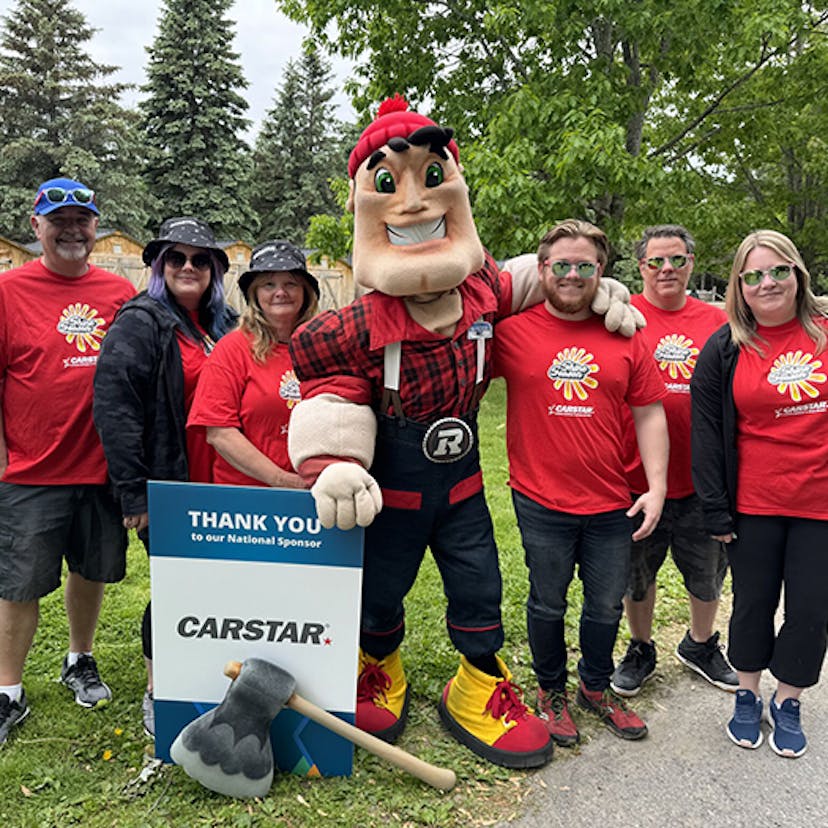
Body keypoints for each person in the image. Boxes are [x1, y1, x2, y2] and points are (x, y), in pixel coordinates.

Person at [287, 96, 643, 769]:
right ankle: (378, 667)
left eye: (430, 179)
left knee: (478, 583)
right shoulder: (361, 325)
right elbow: (331, 390)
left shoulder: (481, 290)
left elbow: (543, 279)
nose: (416, 206)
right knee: (380, 585)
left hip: (462, 482)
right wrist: (333, 460)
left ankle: (477, 684)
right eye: (390, 185)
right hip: (392, 483)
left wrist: (600, 291)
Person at [493, 219, 669, 747]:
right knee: (547, 601)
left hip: (612, 499)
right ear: (541, 269)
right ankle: (551, 692)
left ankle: (595, 687)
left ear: (601, 272)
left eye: (585, 266)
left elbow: (650, 413)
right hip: (540, 497)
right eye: (561, 265)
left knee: (605, 604)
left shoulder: (625, 334)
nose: (572, 275)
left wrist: (656, 487)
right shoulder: (511, 333)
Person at [0, 177, 136, 745]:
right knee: (18, 582)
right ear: (37, 227)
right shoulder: (9, 292)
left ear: (95, 225)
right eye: (59, 220)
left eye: (82, 219)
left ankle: (79, 659)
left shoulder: (118, 294)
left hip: (100, 467)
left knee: (91, 570)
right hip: (31, 469)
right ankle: (7, 690)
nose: (72, 229)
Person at [93, 217, 237, 737]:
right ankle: (159, 690)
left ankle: (213, 676)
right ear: (158, 267)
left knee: (222, 586)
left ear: (215, 271)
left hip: (222, 484)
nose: (188, 267)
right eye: (175, 258)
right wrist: (135, 491)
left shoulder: (222, 324)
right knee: (179, 590)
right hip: (172, 486)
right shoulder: (142, 321)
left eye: (201, 260)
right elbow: (116, 408)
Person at [691, 229, 828, 759]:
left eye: (778, 271)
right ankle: (746, 695)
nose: (767, 283)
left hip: (820, 504)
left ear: (798, 274)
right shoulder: (725, 347)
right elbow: (705, 432)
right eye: (753, 276)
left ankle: (788, 700)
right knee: (752, 604)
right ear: (740, 287)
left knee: (812, 610)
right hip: (753, 504)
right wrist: (715, 508)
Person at [611, 225, 737, 697]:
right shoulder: (621, 318)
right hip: (633, 477)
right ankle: (641, 646)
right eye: (656, 261)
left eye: (678, 260)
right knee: (635, 576)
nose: (667, 269)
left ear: (690, 263)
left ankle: (700, 644)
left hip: (704, 477)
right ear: (640, 266)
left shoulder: (719, 323)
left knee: (707, 574)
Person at [188, 240, 318, 487]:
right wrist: (282, 479)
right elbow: (219, 433)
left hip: (314, 494)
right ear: (255, 294)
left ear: (305, 292)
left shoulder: (323, 348)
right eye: (269, 284)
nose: (281, 292)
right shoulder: (232, 350)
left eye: (290, 283)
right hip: (246, 501)